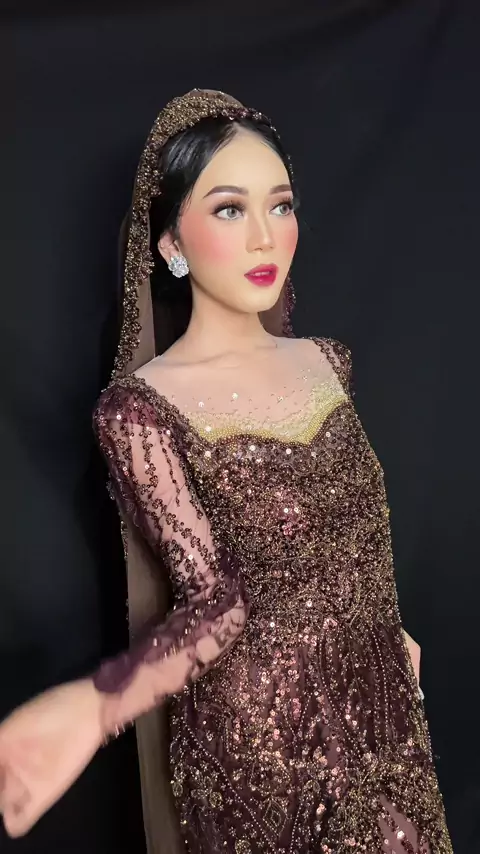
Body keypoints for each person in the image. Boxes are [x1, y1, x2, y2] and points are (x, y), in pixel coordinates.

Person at [0, 89, 452, 854]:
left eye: (281, 205)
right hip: (261, 747)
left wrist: (386, 626)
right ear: (170, 243)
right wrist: (94, 707)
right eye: (230, 209)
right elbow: (216, 602)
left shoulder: (328, 364)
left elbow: (347, 535)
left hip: (381, 718)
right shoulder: (142, 410)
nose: (265, 237)